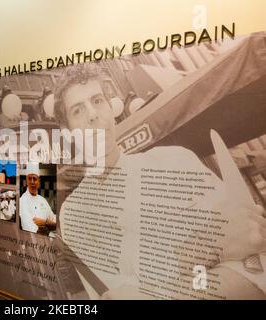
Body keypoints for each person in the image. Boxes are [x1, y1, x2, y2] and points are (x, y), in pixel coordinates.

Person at [54, 63, 266, 300]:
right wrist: (207, 246)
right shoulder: (75, 214)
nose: (92, 114)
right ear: (67, 132)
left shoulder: (176, 159)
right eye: (77, 110)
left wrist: (163, 277)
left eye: (97, 100)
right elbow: (122, 297)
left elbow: (252, 256)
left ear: (111, 109)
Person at [20, 163, 57, 236]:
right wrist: (49, 225)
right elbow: (32, 230)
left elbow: (54, 220)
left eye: (35, 179)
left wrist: (45, 223)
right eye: (30, 178)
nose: (32, 182)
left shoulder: (42, 200)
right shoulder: (22, 200)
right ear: (27, 181)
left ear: (39, 181)